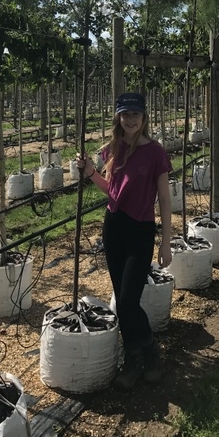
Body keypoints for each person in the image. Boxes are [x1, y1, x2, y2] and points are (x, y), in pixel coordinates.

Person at [76, 91, 173, 391]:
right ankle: (133, 358)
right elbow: (112, 191)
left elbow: (166, 201)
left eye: (135, 114)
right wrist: (91, 172)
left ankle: (150, 350)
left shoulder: (156, 153)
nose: (130, 119)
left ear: (144, 118)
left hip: (141, 230)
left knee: (129, 301)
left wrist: (166, 241)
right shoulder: (112, 149)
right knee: (121, 301)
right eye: (125, 114)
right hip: (114, 227)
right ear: (118, 117)